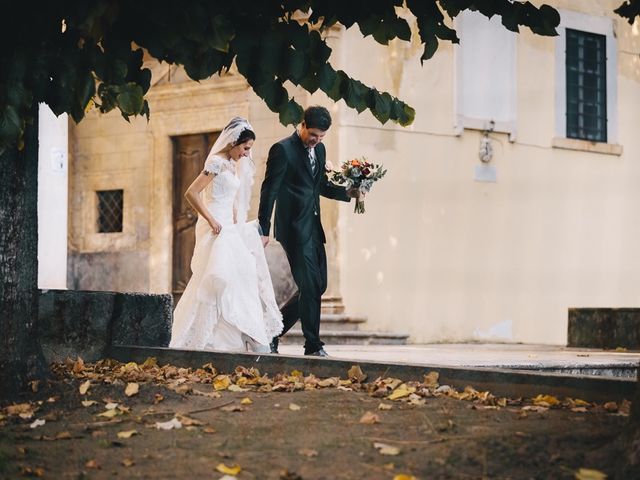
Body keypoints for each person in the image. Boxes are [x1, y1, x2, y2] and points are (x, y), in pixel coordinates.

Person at [170, 117, 283, 353]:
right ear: (233, 142)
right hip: (214, 227)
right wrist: (212, 220)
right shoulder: (216, 163)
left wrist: (235, 222)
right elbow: (192, 193)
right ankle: (211, 335)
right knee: (217, 277)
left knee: (240, 275)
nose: (246, 154)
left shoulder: (232, 166)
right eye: (245, 148)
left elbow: (230, 197)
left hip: (229, 227)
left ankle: (243, 333)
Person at [258, 106, 358, 356]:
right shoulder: (282, 150)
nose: (317, 140)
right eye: (314, 134)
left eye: (322, 136)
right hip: (292, 229)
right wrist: (263, 227)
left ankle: (271, 332)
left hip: (313, 228)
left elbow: (320, 186)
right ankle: (313, 345)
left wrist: (350, 192)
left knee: (318, 285)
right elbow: (269, 190)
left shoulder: (320, 150)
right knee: (310, 286)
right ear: (302, 125)